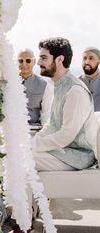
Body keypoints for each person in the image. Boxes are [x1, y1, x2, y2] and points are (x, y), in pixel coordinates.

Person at [32, 37, 96, 171]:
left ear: (59, 59)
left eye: (44, 58)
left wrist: (34, 145)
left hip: (78, 156)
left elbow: (66, 135)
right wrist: (33, 141)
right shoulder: (58, 85)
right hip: (63, 151)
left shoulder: (75, 90)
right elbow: (52, 125)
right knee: (18, 154)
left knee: (22, 159)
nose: (38, 62)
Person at [18, 48, 53, 128]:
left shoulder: (44, 85)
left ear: (34, 62)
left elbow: (46, 114)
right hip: (14, 130)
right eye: (20, 61)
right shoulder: (9, 83)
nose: (24, 64)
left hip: (35, 130)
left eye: (28, 60)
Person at [79, 47, 100, 111]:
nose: (87, 62)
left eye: (91, 58)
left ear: (99, 61)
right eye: (84, 58)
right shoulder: (76, 82)